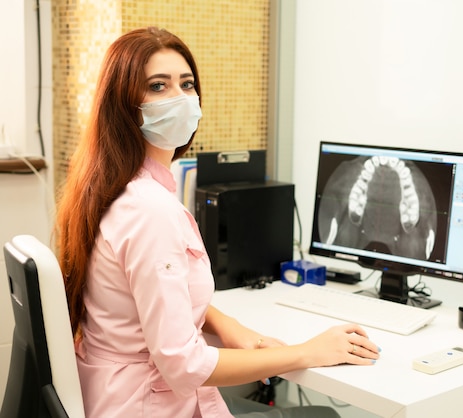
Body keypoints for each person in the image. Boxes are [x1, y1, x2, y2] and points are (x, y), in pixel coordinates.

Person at [54, 27, 381, 418]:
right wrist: (308, 352)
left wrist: (227, 325)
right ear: (124, 105)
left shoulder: (114, 187)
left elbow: (151, 296)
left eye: (187, 84)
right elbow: (184, 364)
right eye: (158, 86)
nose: (179, 98)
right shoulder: (149, 211)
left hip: (116, 395)